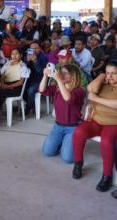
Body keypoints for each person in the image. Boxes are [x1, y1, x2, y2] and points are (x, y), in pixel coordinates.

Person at [72, 62, 117, 193]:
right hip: (96, 121)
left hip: (113, 123)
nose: (110, 76)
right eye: (108, 73)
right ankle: (78, 164)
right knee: (79, 132)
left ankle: (107, 176)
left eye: (113, 73)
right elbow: (90, 89)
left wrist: (96, 99)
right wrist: (102, 75)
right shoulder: (102, 84)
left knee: (107, 141)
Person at [40, 64, 85, 163]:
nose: (61, 75)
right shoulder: (57, 88)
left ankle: (76, 142)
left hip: (73, 127)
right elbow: (42, 90)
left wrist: (59, 80)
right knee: (47, 152)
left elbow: (68, 98)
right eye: (61, 72)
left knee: (68, 159)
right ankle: (63, 142)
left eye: (65, 73)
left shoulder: (79, 91)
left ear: (73, 76)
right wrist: (45, 76)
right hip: (58, 125)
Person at [0, 49, 30, 127]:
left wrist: (7, 86)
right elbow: (2, 75)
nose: (14, 56)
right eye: (12, 54)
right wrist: (3, 83)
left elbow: (21, 82)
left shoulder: (23, 66)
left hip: (17, 88)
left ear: (21, 55)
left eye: (16, 54)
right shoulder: (8, 64)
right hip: (6, 85)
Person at [25, 41, 48, 115]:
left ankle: (29, 107)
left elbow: (41, 73)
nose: (34, 50)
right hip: (29, 80)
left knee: (31, 90)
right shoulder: (28, 56)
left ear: (40, 49)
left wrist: (35, 61)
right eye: (32, 49)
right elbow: (23, 70)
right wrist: (27, 62)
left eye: (36, 48)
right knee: (20, 88)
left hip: (40, 81)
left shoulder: (43, 57)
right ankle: (32, 105)